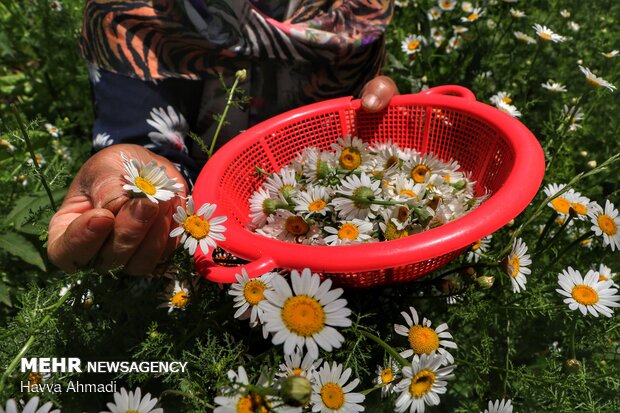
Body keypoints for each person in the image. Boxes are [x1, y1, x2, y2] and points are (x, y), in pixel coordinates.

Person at [47, 0, 399, 276]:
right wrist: (134, 174)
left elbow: (345, 142)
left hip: (333, 242)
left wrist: (376, 134)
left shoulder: (353, 11)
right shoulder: (130, 11)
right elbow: (146, 142)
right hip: (197, 260)